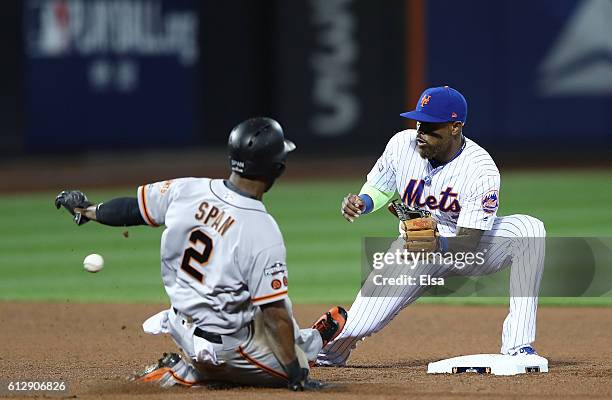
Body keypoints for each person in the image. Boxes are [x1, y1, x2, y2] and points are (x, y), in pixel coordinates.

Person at [55, 117, 347, 390]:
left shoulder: (188, 189)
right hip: (224, 348)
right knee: (293, 351)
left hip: (178, 321)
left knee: (271, 305)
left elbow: (133, 209)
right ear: (277, 169)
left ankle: (312, 338)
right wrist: (296, 377)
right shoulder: (262, 229)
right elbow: (274, 315)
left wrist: (86, 210)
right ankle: (184, 372)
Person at [316, 86, 546, 366]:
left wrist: (440, 244)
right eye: (419, 123)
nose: (420, 133)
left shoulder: (480, 169)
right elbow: (380, 188)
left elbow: (470, 240)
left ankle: (518, 346)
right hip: (414, 248)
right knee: (359, 323)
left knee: (529, 231)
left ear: (455, 127)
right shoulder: (402, 145)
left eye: (431, 126)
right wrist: (362, 202)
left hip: (469, 246)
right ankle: (317, 351)